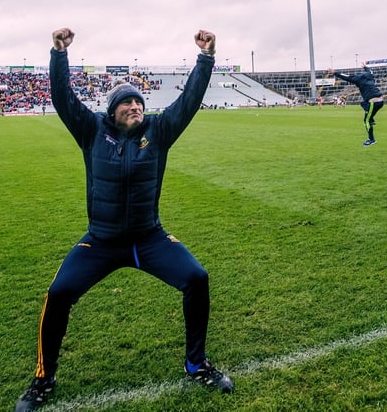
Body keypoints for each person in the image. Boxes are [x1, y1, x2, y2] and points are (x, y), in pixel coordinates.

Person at [15, 28, 233, 412]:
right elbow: (63, 99)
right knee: (59, 293)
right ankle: (43, 379)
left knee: (196, 278)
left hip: (149, 238)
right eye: (127, 102)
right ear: (112, 110)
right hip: (100, 241)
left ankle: (196, 364)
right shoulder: (91, 131)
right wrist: (59, 54)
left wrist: (206, 57)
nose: (135, 106)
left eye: (138, 101)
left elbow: (189, 101)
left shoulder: (158, 132)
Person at [328, 63, 384, 146]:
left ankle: (371, 139)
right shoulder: (370, 76)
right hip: (381, 101)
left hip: (374, 103)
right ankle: (371, 119)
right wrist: (365, 67)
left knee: (366, 121)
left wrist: (334, 72)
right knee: (363, 103)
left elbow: (346, 77)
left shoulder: (358, 79)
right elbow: (370, 71)